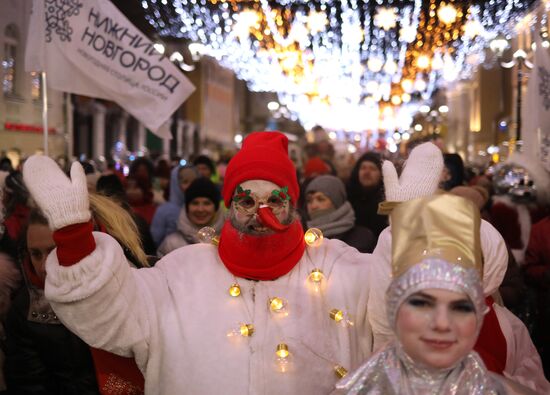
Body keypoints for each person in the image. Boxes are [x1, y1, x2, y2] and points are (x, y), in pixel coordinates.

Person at [23, 132, 394, 394]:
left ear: (292, 204)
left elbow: (397, 309)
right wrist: (74, 239)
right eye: (247, 202)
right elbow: (111, 316)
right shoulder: (180, 274)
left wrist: (409, 228)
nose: (260, 214)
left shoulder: (338, 269)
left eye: (275, 201)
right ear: (230, 205)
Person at [333, 194, 536, 395]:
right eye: (422, 304)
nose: (442, 323)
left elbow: (531, 379)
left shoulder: (508, 327)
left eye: (461, 308)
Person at [4, 210, 100, 395]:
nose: (43, 266)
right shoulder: (25, 310)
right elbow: (28, 384)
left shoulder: (108, 290)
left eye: (53, 251)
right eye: (36, 254)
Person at [304, 175, 374, 253]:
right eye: (309, 200)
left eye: (321, 199)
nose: (313, 206)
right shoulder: (304, 241)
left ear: (337, 202)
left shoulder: (362, 237)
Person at [157, 177, 224, 256]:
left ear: (216, 208)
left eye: (207, 203)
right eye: (195, 203)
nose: (200, 209)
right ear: (187, 208)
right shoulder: (171, 244)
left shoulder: (227, 241)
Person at [150, 165, 198, 247]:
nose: (191, 186)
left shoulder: (203, 209)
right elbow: (156, 239)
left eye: (194, 182)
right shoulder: (164, 211)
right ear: (176, 183)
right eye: (185, 182)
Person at [346, 152, 387, 241]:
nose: (367, 172)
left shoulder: (387, 202)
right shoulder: (347, 198)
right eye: (363, 168)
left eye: (372, 168)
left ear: (382, 174)